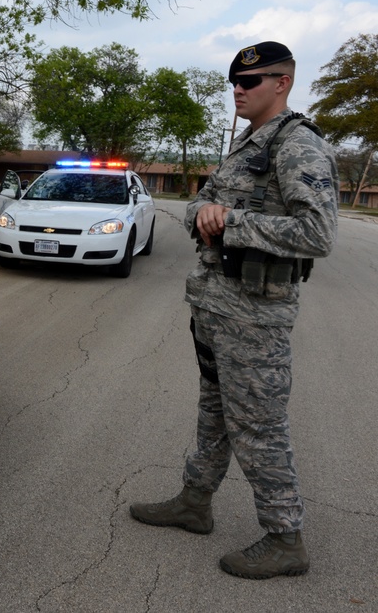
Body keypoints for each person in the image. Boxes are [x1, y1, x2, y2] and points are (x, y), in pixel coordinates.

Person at [129, 41, 339, 579]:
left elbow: (317, 232)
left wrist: (232, 222)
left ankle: (284, 537)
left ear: (282, 83)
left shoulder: (297, 145)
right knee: (215, 414)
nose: (239, 91)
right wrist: (208, 211)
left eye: (251, 81)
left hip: (255, 318)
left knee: (259, 427)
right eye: (234, 82)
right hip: (217, 306)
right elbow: (203, 202)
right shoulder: (248, 141)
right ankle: (195, 503)